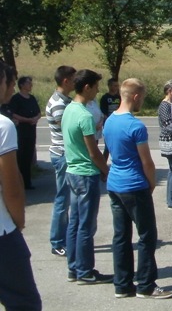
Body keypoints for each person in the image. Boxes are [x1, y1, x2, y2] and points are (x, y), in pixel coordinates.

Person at [103, 78, 172, 299]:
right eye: (141, 98)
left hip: (114, 184)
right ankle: (146, 285)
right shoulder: (135, 126)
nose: (141, 102)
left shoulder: (109, 121)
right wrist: (151, 182)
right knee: (147, 235)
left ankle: (122, 284)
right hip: (134, 185)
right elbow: (147, 162)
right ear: (135, 97)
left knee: (121, 236)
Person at [62, 69, 113, 284]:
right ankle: (85, 270)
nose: (98, 90)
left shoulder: (69, 109)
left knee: (74, 222)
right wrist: (106, 170)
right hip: (86, 173)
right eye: (95, 86)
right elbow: (93, 152)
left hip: (72, 171)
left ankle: (74, 267)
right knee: (86, 225)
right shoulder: (84, 115)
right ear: (86, 87)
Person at [0, 60, 42, 311]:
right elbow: (11, 184)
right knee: (24, 302)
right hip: (2, 232)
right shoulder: (3, 126)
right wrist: (18, 221)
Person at [46, 65, 76, 258]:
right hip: (63, 154)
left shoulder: (65, 100)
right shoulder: (58, 104)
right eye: (73, 79)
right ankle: (57, 241)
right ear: (65, 81)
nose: (75, 82)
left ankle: (64, 237)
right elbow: (69, 130)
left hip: (65, 153)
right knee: (62, 199)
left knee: (67, 198)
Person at [9, 76, 41, 190]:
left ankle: (27, 181)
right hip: (21, 131)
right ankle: (19, 182)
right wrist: (26, 120)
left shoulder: (31, 98)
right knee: (20, 156)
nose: (31, 85)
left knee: (28, 156)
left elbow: (38, 112)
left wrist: (36, 118)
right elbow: (13, 113)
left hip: (31, 130)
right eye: (28, 83)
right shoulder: (16, 98)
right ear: (22, 85)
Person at [158, 81, 172, 208]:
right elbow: (167, 124)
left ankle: (171, 198)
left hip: (170, 139)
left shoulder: (170, 104)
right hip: (169, 140)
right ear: (169, 91)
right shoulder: (165, 105)